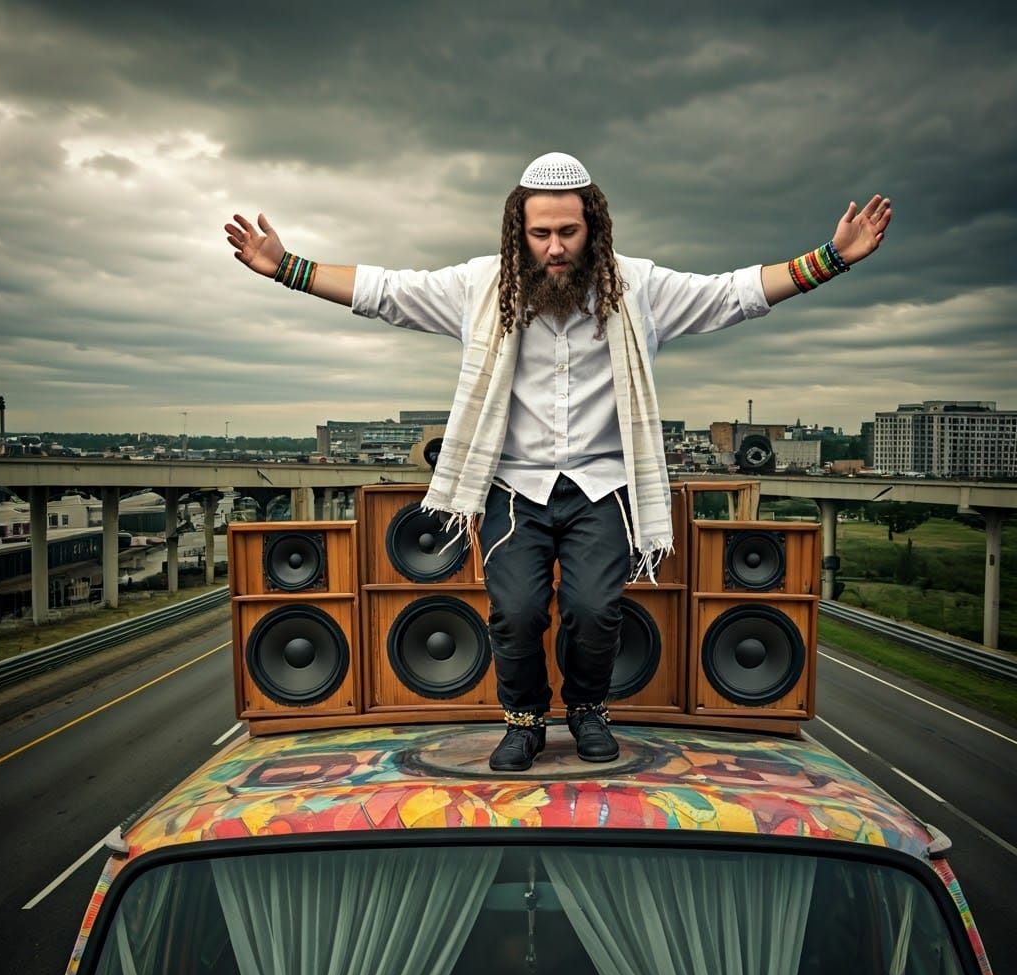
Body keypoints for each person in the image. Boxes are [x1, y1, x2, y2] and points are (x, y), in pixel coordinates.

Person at [224, 152, 891, 771]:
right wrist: (289, 267)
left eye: (568, 232)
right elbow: (385, 290)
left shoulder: (641, 287)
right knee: (515, 611)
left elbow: (731, 294)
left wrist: (832, 258)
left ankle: (588, 710)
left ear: (593, 226)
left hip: (603, 487)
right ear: (519, 231)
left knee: (596, 610)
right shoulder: (479, 285)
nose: (554, 248)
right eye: (540, 234)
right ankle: (525, 721)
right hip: (512, 487)